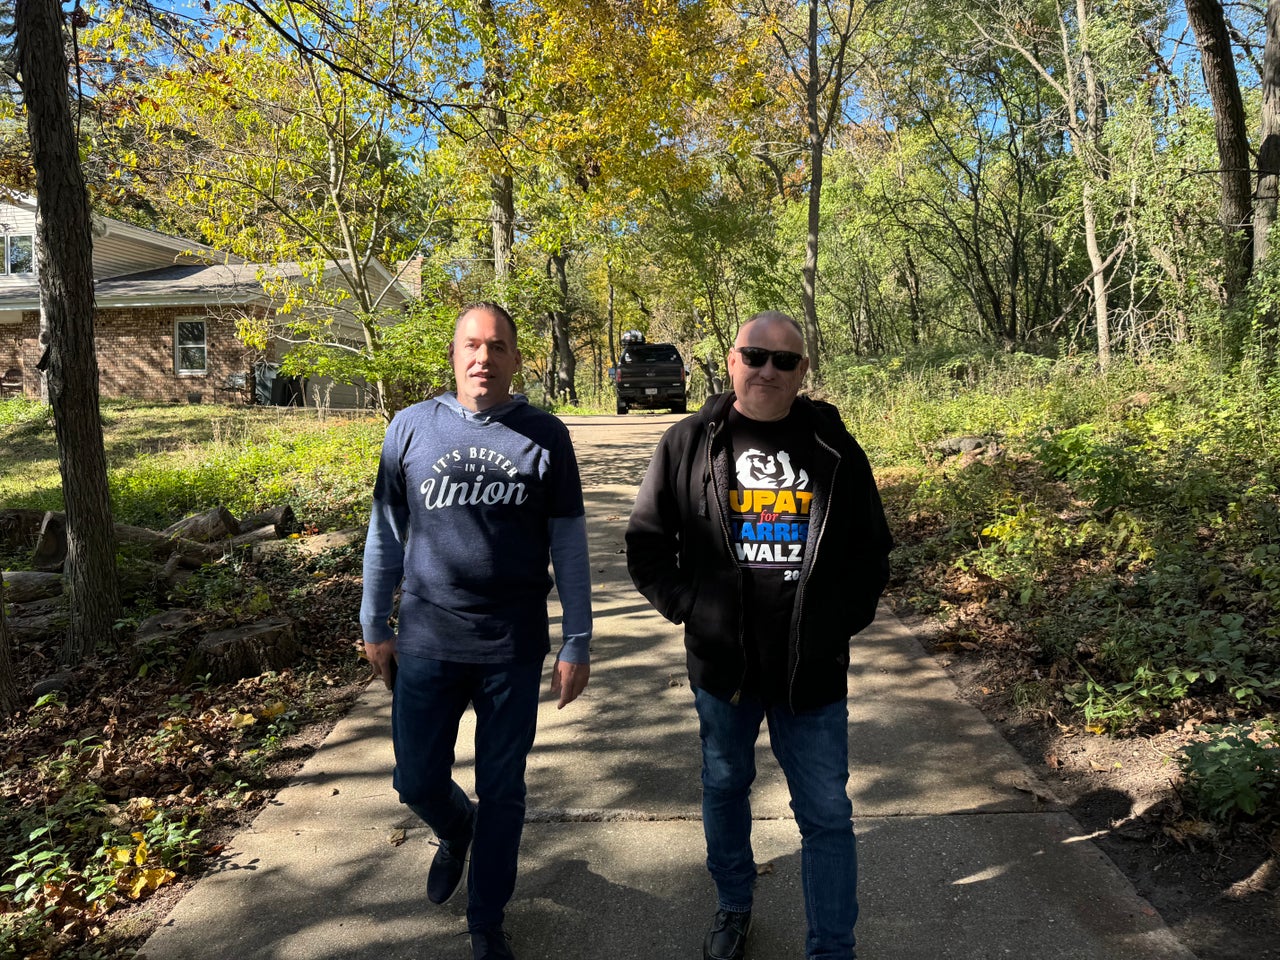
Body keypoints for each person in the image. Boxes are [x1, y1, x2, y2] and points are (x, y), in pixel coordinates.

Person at [625, 311, 892, 960]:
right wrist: (692, 608)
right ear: (732, 359)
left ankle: (833, 947)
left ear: (803, 372)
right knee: (724, 788)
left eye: (785, 360)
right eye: (756, 355)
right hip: (725, 671)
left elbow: (871, 552)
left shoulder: (834, 449)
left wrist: (837, 623)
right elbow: (646, 543)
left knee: (827, 814)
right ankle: (734, 905)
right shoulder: (690, 442)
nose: (768, 369)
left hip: (813, 674)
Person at [360, 302, 591, 960]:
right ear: (454, 354)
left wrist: (578, 639)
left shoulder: (546, 436)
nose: (483, 357)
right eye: (471, 345)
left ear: (517, 358)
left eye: (497, 346)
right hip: (428, 638)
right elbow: (385, 534)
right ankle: (455, 829)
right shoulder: (409, 428)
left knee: (505, 789)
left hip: (511, 645)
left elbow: (569, 547)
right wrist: (374, 620)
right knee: (415, 779)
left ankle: (486, 919)